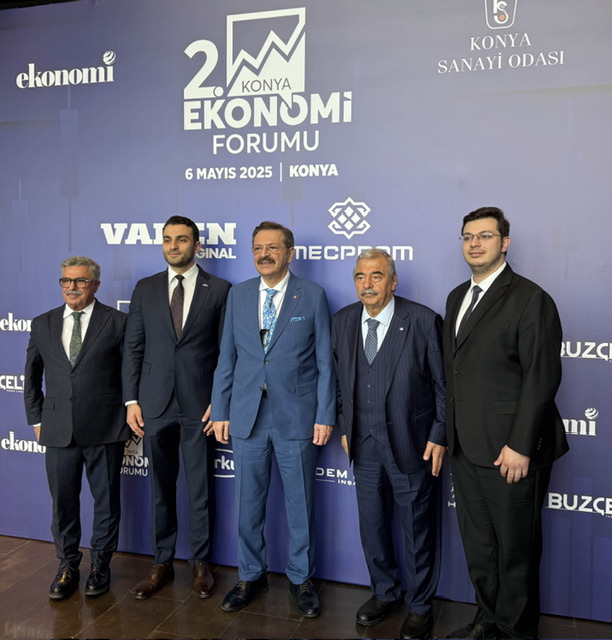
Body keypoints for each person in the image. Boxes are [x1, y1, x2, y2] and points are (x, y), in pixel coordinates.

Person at [443, 206, 569, 640]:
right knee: (480, 547)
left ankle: (516, 633)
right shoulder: (456, 297)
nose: (474, 243)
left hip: (510, 452)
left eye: (485, 235)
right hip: (464, 446)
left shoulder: (531, 298)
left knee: (516, 552)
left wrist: (520, 445)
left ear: (505, 243)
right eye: (467, 236)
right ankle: (487, 622)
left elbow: (541, 377)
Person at [209, 220, 335, 618]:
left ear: (289, 253)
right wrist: (221, 408)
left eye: (273, 248)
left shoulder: (312, 295)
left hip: (297, 417)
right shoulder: (239, 294)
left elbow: (325, 362)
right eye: (258, 248)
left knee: (301, 505)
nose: (264, 254)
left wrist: (325, 414)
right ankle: (251, 575)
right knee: (247, 505)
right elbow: (226, 358)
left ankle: (301, 578)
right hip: (247, 417)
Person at [332, 248, 446, 639]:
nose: (367, 284)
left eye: (376, 276)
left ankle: (420, 605)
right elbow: (339, 380)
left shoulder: (423, 321)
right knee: (373, 525)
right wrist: (345, 423)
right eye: (360, 276)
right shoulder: (343, 320)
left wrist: (439, 434)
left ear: (393, 281)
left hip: (412, 443)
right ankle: (385, 592)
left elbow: (443, 385)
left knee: (417, 529)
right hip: (363, 445)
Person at [122, 215, 230, 600]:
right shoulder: (145, 288)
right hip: (154, 404)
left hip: (200, 406)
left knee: (200, 489)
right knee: (160, 489)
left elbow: (227, 352)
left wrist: (220, 400)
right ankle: (162, 562)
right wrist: (131, 400)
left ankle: (200, 563)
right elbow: (133, 347)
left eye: (181, 239)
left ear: (196, 246)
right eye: (167, 239)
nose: (173, 246)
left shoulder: (220, 289)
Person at [24, 256, 129, 600]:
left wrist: (127, 416)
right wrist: (36, 419)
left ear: (95, 285)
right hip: (57, 430)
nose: (72, 287)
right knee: (63, 503)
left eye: (80, 281)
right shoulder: (43, 323)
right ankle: (67, 564)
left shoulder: (118, 322)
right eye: (66, 281)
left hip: (106, 428)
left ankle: (100, 565)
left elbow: (130, 374)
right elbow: (31, 376)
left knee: (106, 503)